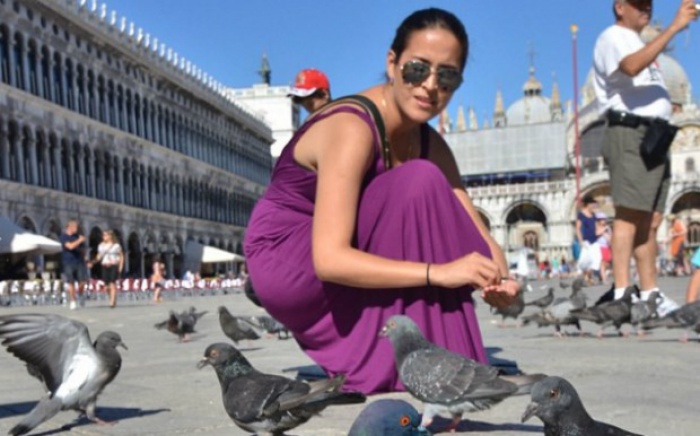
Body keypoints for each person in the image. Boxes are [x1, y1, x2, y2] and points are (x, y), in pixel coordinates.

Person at [244, 8, 518, 394]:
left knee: (426, 186)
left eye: (447, 76)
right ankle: (408, 361)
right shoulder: (352, 128)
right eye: (417, 69)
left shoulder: (431, 144)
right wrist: (439, 272)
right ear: (392, 63)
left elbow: (478, 236)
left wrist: (501, 283)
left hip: (345, 245)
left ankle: (428, 362)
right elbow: (329, 259)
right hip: (289, 258)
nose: (430, 86)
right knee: (418, 181)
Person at [593, 0, 697, 314]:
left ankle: (650, 294)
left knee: (650, 220)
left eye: (649, 4)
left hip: (655, 135)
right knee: (628, 214)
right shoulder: (612, 37)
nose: (646, 9)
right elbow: (630, 67)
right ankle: (623, 292)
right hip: (631, 133)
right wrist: (675, 27)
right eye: (639, 4)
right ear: (620, 6)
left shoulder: (638, 42)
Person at [59, 219, 89, 310]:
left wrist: (86, 257)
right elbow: (70, 246)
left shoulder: (78, 236)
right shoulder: (64, 237)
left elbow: (83, 250)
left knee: (82, 282)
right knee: (70, 282)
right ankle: (73, 301)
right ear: (70, 227)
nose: (77, 229)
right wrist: (79, 240)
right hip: (68, 262)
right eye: (76, 227)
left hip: (79, 261)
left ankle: (80, 294)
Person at [92, 230, 123, 308]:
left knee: (112, 283)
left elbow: (121, 256)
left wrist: (120, 266)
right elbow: (99, 256)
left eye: (105, 235)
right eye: (103, 235)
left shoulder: (116, 246)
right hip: (105, 265)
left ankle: (112, 301)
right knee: (106, 286)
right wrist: (93, 262)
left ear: (110, 236)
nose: (103, 237)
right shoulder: (101, 246)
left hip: (113, 265)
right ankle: (111, 298)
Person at [575, 195, 601, 284]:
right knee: (585, 260)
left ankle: (589, 276)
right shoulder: (581, 214)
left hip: (595, 241)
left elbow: (596, 227)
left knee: (597, 259)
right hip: (586, 241)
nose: (594, 205)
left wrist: (602, 231)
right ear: (587, 204)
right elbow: (578, 228)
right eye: (592, 204)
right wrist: (580, 241)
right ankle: (587, 277)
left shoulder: (594, 215)